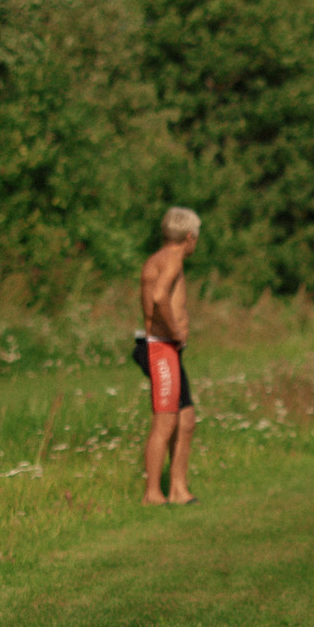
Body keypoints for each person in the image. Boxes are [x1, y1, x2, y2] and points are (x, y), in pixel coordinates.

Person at [134, 206, 201, 506]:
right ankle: (152, 494)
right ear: (189, 238)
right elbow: (160, 296)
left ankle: (178, 489)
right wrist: (174, 331)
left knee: (186, 419)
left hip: (168, 349)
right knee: (166, 422)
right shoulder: (172, 259)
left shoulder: (160, 258)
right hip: (160, 347)